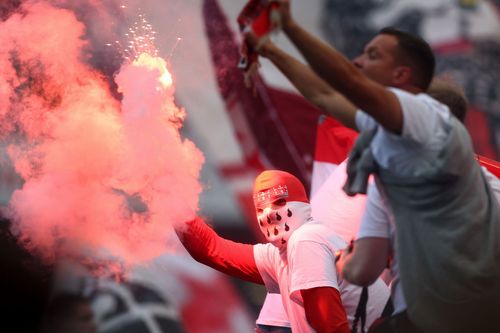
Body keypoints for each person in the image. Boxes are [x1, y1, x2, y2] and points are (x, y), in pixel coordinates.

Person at [243, 2, 500, 332]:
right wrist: (269, 49)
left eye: (373, 56)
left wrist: (287, 27)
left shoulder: (430, 119)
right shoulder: (386, 180)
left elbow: (340, 87)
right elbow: (363, 270)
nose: (359, 62)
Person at [175, 170, 389, 333]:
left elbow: (328, 323)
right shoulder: (281, 254)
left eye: (279, 202)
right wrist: (167, 198)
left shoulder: (306, 240)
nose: (268, 214)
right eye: (260, 209)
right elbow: (211, 250)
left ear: (301, 204)